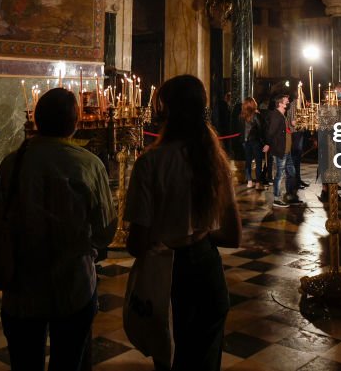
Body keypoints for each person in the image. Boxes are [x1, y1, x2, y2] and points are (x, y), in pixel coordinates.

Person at [125, 75, 242, 371]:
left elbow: (136, 244)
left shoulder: (150, 163)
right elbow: (233, 235)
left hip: (168, 273)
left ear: (166, 112)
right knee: (205, 358)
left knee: (172, 357)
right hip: (207, 269)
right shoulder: (216, 160)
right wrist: (200, 234)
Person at [0, 88, 117, 371]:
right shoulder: (88, 164)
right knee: (69, 361)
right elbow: (105, 231)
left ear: (36, 120)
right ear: (75, 122)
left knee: (24, 363)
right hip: (72, 285)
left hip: (21, 287)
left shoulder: (11, 163)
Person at [266, 93, 299, 207]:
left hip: (287, 150)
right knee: (279, 174)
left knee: (292, 172)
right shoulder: (276, 116)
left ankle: (289, 194)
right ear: (280, 103)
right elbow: (271, 133)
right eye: (286, 100)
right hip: (281, 150)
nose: (288, 101)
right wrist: (268, 144)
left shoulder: (282, 115)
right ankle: (276, 198)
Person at [240, 97, 267, 190]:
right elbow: (261, 129)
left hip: (245, 141)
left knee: (248, 162)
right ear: (253, 104)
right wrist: (265, 142)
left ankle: (249, 181)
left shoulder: (242, 115)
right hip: (255, 141)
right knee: (258, 162)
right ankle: (258, 183)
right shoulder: (256, 115)